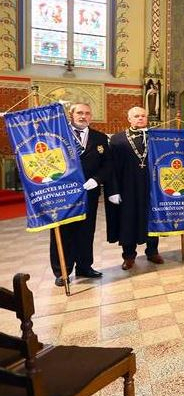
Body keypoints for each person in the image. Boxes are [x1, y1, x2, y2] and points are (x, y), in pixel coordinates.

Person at [50, 103, 111, 287]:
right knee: (63, 231)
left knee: (86, 231)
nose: (83, 116)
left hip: (89, 193)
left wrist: (96, 179)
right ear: (71, 114)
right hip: (64, 194)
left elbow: (108, 164)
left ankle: (84, 266)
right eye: (79, 113)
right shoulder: (58, 137)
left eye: (87, 113)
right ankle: (62, 271)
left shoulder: (100, 138)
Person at [108, 107, 162, 269]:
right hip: (127, 187)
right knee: (128, 220)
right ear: (129, 119)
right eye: (136, 116)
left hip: (151, 186)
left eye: (143, 116)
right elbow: (112, 168)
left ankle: (152, 251)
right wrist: (114, 190)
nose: (140, 118)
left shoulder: (157, 138)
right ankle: (129, 256)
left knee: (151, 219)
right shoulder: (117, 139)